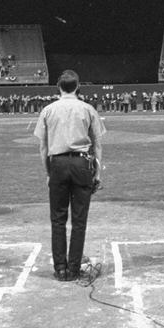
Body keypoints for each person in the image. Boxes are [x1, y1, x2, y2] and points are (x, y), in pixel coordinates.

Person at [34, 69, 106, 281]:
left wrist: (49, 173)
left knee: (57, 220)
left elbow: (42, 147)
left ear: (59, 87)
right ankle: (74, 269)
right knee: (79, 220)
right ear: (77, 87)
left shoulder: (48, 110)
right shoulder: (87, 108)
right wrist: (97, 173)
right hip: (82, 164)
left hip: (57, 164)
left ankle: (60, 270)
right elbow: (98, 144)